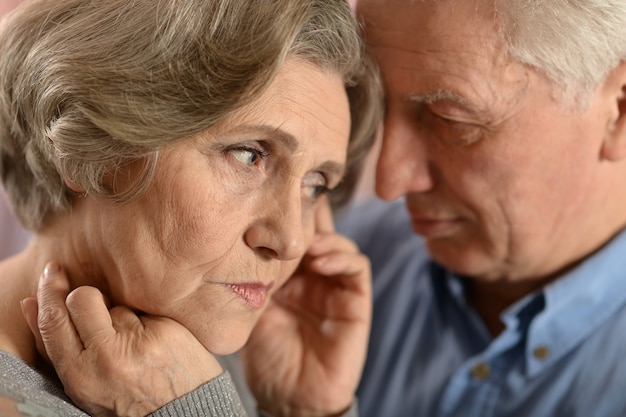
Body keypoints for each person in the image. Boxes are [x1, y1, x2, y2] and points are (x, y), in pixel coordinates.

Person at [0, 0, 381, 416]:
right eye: (249, 155)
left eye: (315, 185)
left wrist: (302, 411)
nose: (291, 241)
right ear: (92, 149)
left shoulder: (193, 365)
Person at [334, 0, 626, 416]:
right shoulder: (333, 262)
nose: (389, 182)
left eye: (450, 120)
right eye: (377, 108)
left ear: (618, 109)